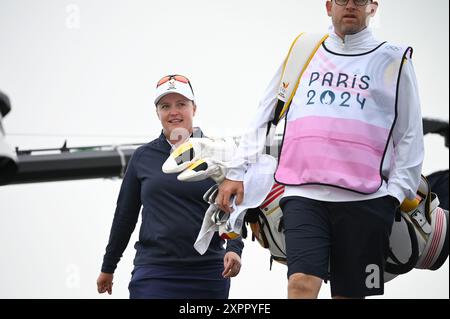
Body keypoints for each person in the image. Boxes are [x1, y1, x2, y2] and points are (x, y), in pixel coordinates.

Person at [216, 0, 424, 299]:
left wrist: (394, 195)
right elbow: (266, 112)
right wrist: (236, 171)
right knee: (300, 283)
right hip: (304, 194)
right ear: (329, 6)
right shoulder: (304, 50)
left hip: (366, 200)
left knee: (348, 294)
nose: (350, 5)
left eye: (360, 0)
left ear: (373, 7)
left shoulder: (394, 59)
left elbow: (409, 134)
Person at [97, 74, 243, 299]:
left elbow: (234, 208)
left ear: (194, 108)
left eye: (181, 104)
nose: (174, 112)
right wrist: (108, 267)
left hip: (207, 273)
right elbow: (125, 216)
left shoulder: (219, 153)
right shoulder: (142, 157)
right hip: (154, 272)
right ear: (157, 113)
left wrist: (234, 250)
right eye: (165, 106)